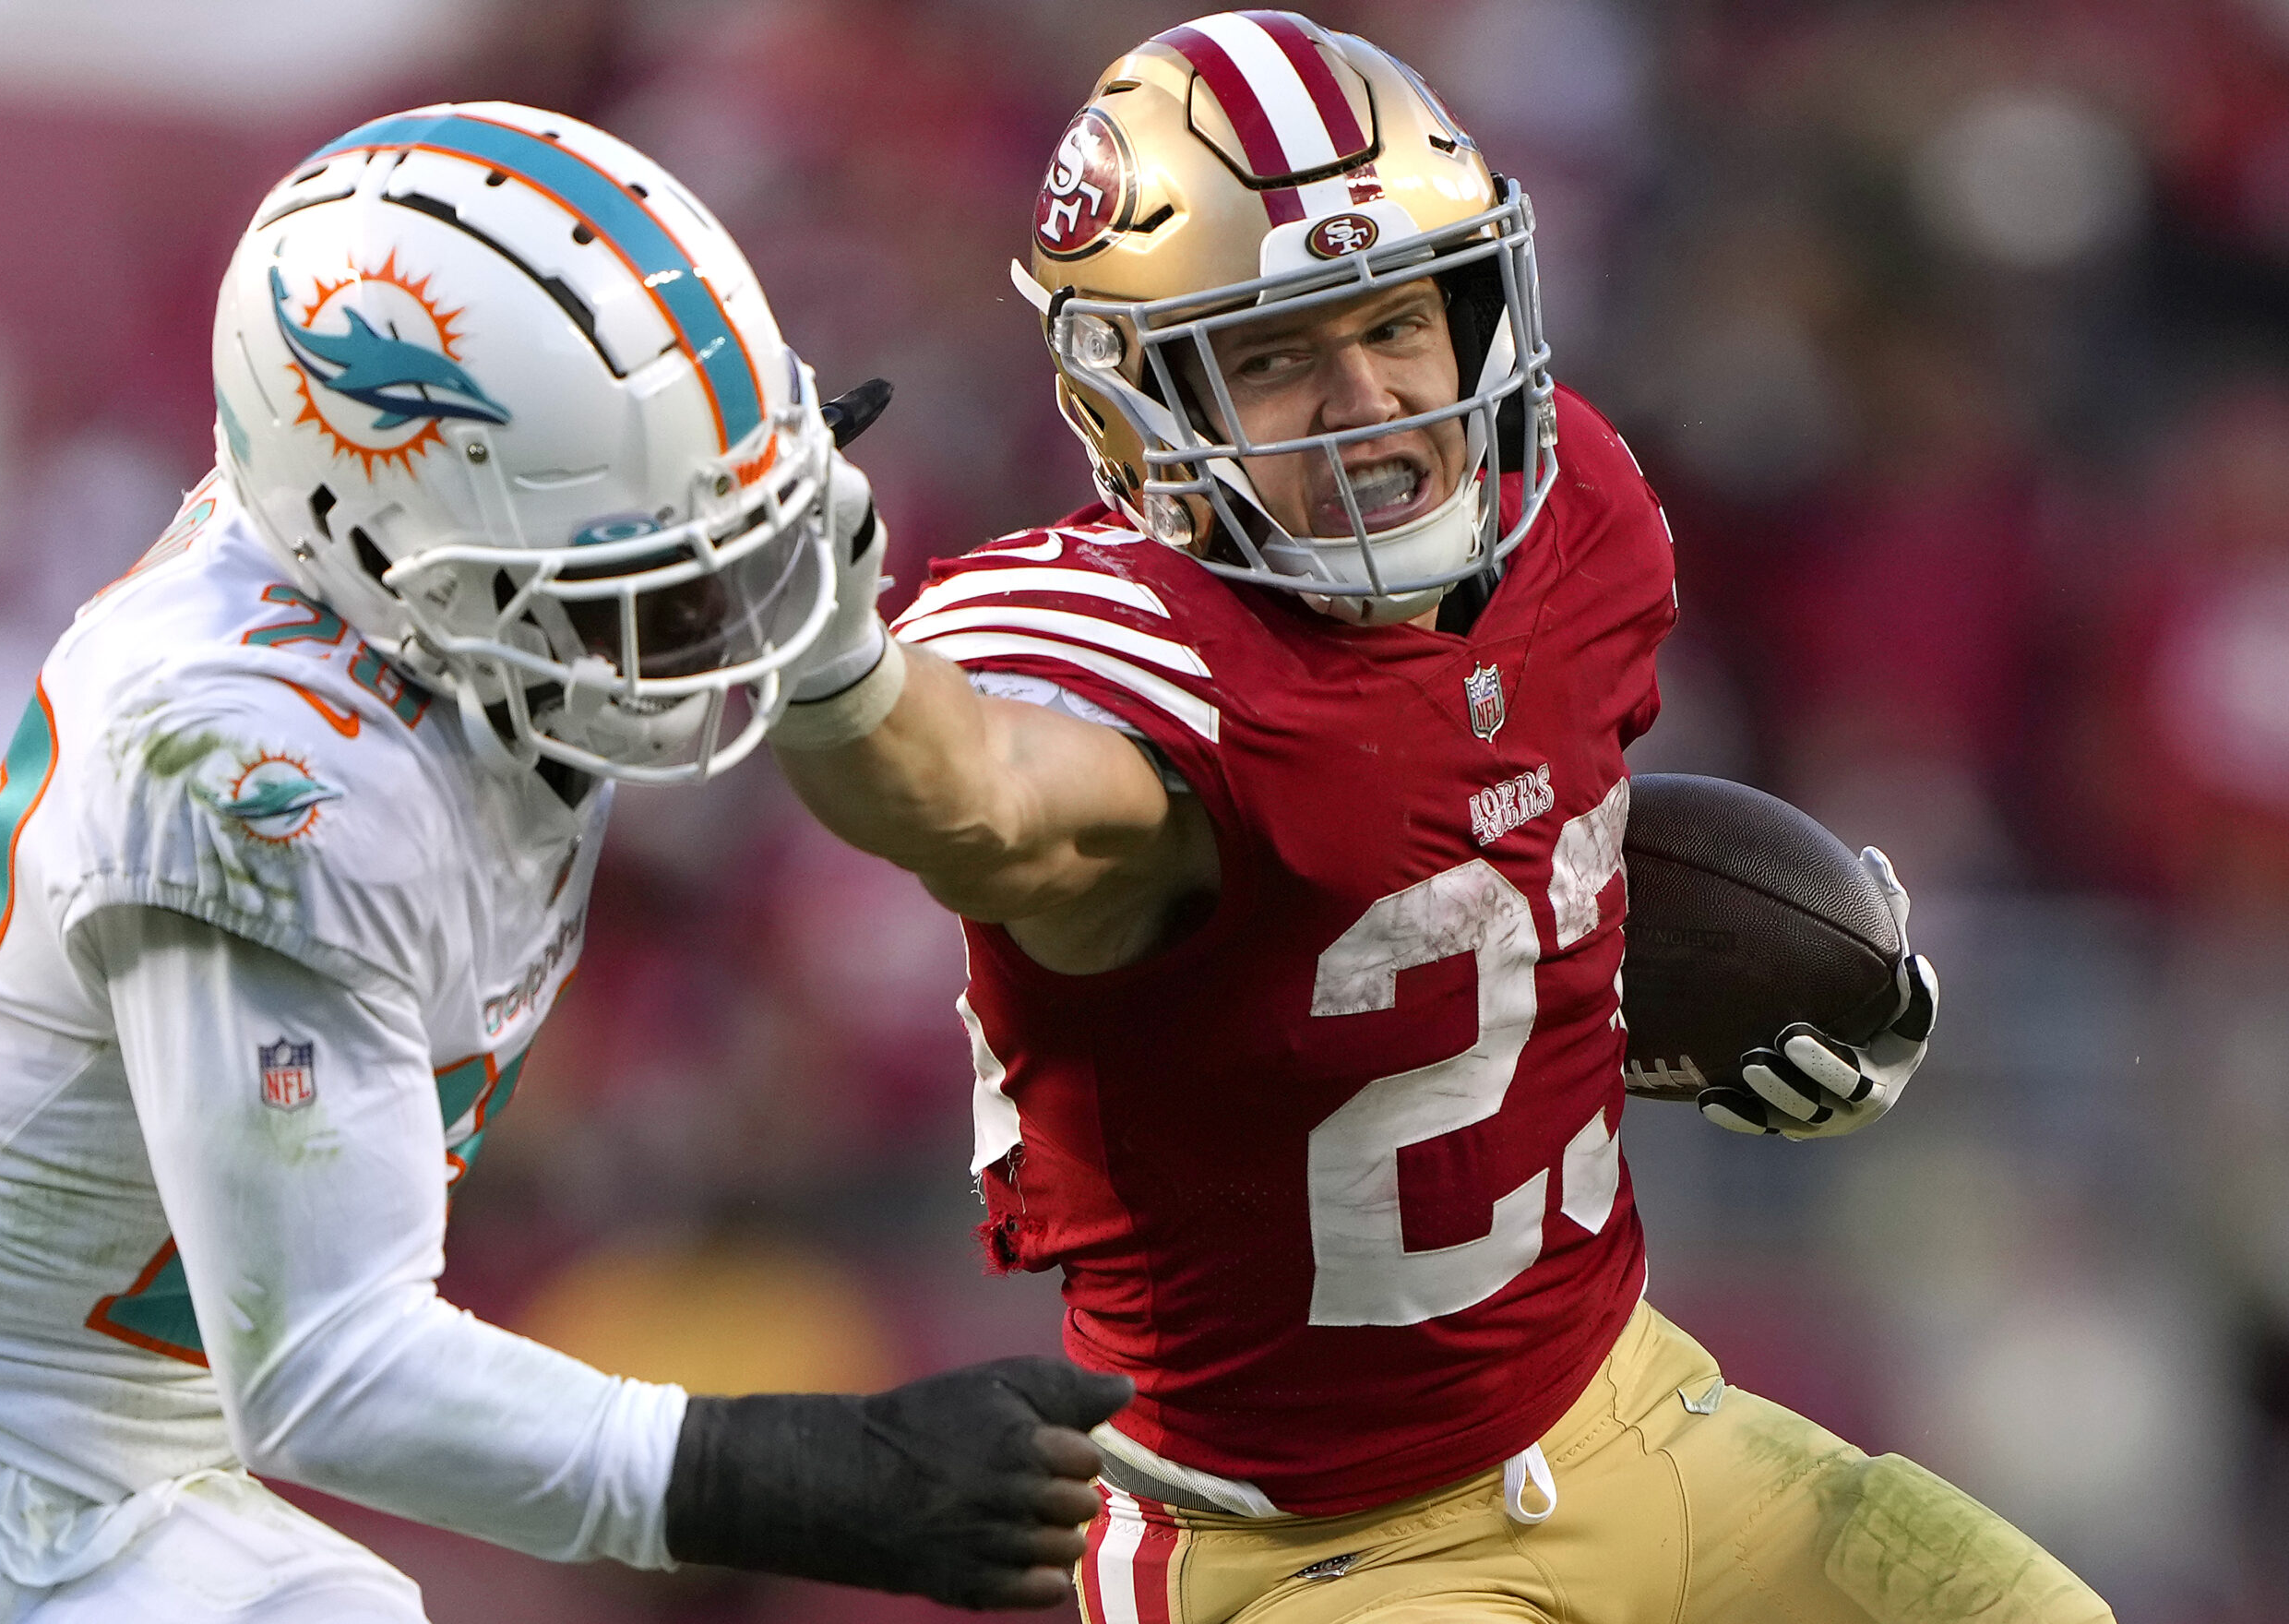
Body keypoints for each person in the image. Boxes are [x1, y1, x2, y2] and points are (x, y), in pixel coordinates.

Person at [771, 15, 2113, 1621]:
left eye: (1399, 321)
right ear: (1136, 405)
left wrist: (1748, 997)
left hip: (1637, 1415)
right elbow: (983, 803)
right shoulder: (1129, 664)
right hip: (1311, 1554)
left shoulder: (1582, 515)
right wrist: (836, 663)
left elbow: (1477, 876)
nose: (1370, 404)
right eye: (1274, 355)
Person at [0, 102, 1127, 1621]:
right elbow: (330, 1372)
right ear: (385, 551)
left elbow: (755, 547)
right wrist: (825, 1480)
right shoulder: (254, 773)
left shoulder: (418, 569)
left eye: (730, 551)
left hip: (104, 1449)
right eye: (647, 589)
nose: (716, 641)